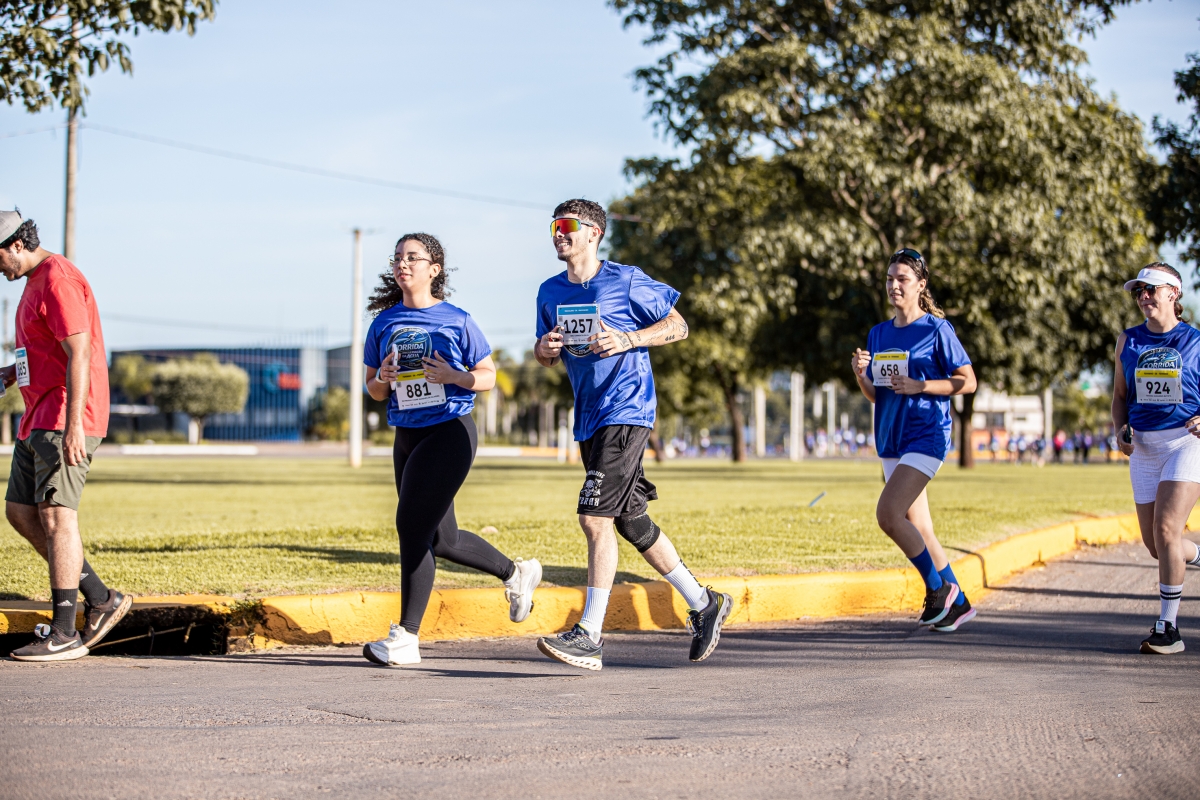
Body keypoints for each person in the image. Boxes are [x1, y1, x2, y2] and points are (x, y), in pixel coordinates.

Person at [532, 199, 732, 671]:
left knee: (594, 519)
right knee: (630, 521)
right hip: (589, 418)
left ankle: (589, 635)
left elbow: (678, 325)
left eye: (567, 225)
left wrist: (629, 338)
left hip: (628, 409)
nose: (558, 233)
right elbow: (546, 357)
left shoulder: (625, 280)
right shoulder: (549, 291)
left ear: (594, 232)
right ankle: (704, 603)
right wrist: (544, 348)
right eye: (554, 226)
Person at [361, 232, 541, 666]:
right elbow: (373, 390)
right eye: (398, 258)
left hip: (449, 432)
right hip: (406, 435)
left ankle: (406, 637)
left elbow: (487, 375)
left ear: (434, 269)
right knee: (444, 539)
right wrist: (383, 376)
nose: (403, 264)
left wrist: (454, 376)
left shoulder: (457, 320)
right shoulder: (384, 323)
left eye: (413, 257)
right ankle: (517, 573)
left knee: (411, 527)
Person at [0, 210, 131, 662]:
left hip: (63, 418)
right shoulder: (32, 283)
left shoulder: (57, 278)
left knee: (57, 518)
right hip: (36, 417)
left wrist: (75, 425)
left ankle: (63, 632)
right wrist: (10, 373)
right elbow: (44, 351)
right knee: (20, 513)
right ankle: (101, 598)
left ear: (17, 245)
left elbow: (81, 353)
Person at [852, 248, 978, 632]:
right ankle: (959, 603)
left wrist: (920, 386)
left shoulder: (937, 330)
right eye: (889, 279)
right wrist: (860, 375)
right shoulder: (878, 333)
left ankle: (938, 588)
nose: (894, 285)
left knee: (888, 514)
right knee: (920, 528)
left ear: (921, 285)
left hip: (926, 435)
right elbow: (877, 395)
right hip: (890, 439)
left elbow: (968, 381)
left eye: (902, 279)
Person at [1112, 262, 1200, 655]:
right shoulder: (1127, 341)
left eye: (1151, 289)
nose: (1143, 296)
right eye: (1139, 291)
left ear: (1173, 293)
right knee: (1157, 545)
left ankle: (1169, 628)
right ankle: (1197, 555)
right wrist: (1120, 430)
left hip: (1187, 443)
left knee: (1166, 531)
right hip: (1144, 449)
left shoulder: (1195, 341)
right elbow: (1120, 397)